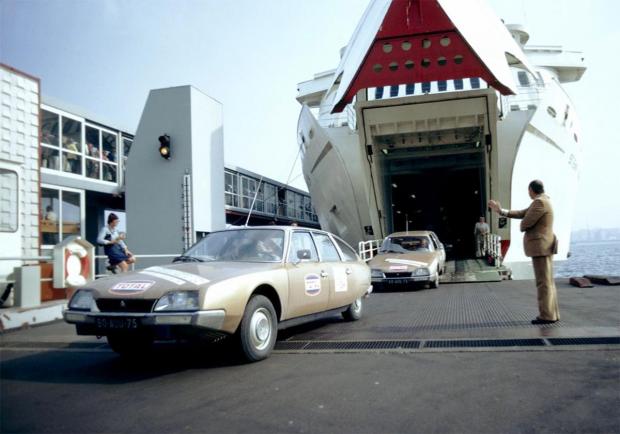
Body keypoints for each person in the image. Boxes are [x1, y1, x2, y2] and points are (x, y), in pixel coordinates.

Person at [488, 179, 559, 324]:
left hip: (541, 247)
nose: (528, 193)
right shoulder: (543, 201)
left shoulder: (539, 202)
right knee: (548, 282)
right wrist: (501, 211)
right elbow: (522, 213)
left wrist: (522, 225)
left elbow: (525, 221)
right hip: (545, 245)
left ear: (532, 190)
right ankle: (553, 314)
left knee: (543, 283)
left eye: (528, 191)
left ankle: (546, 316)